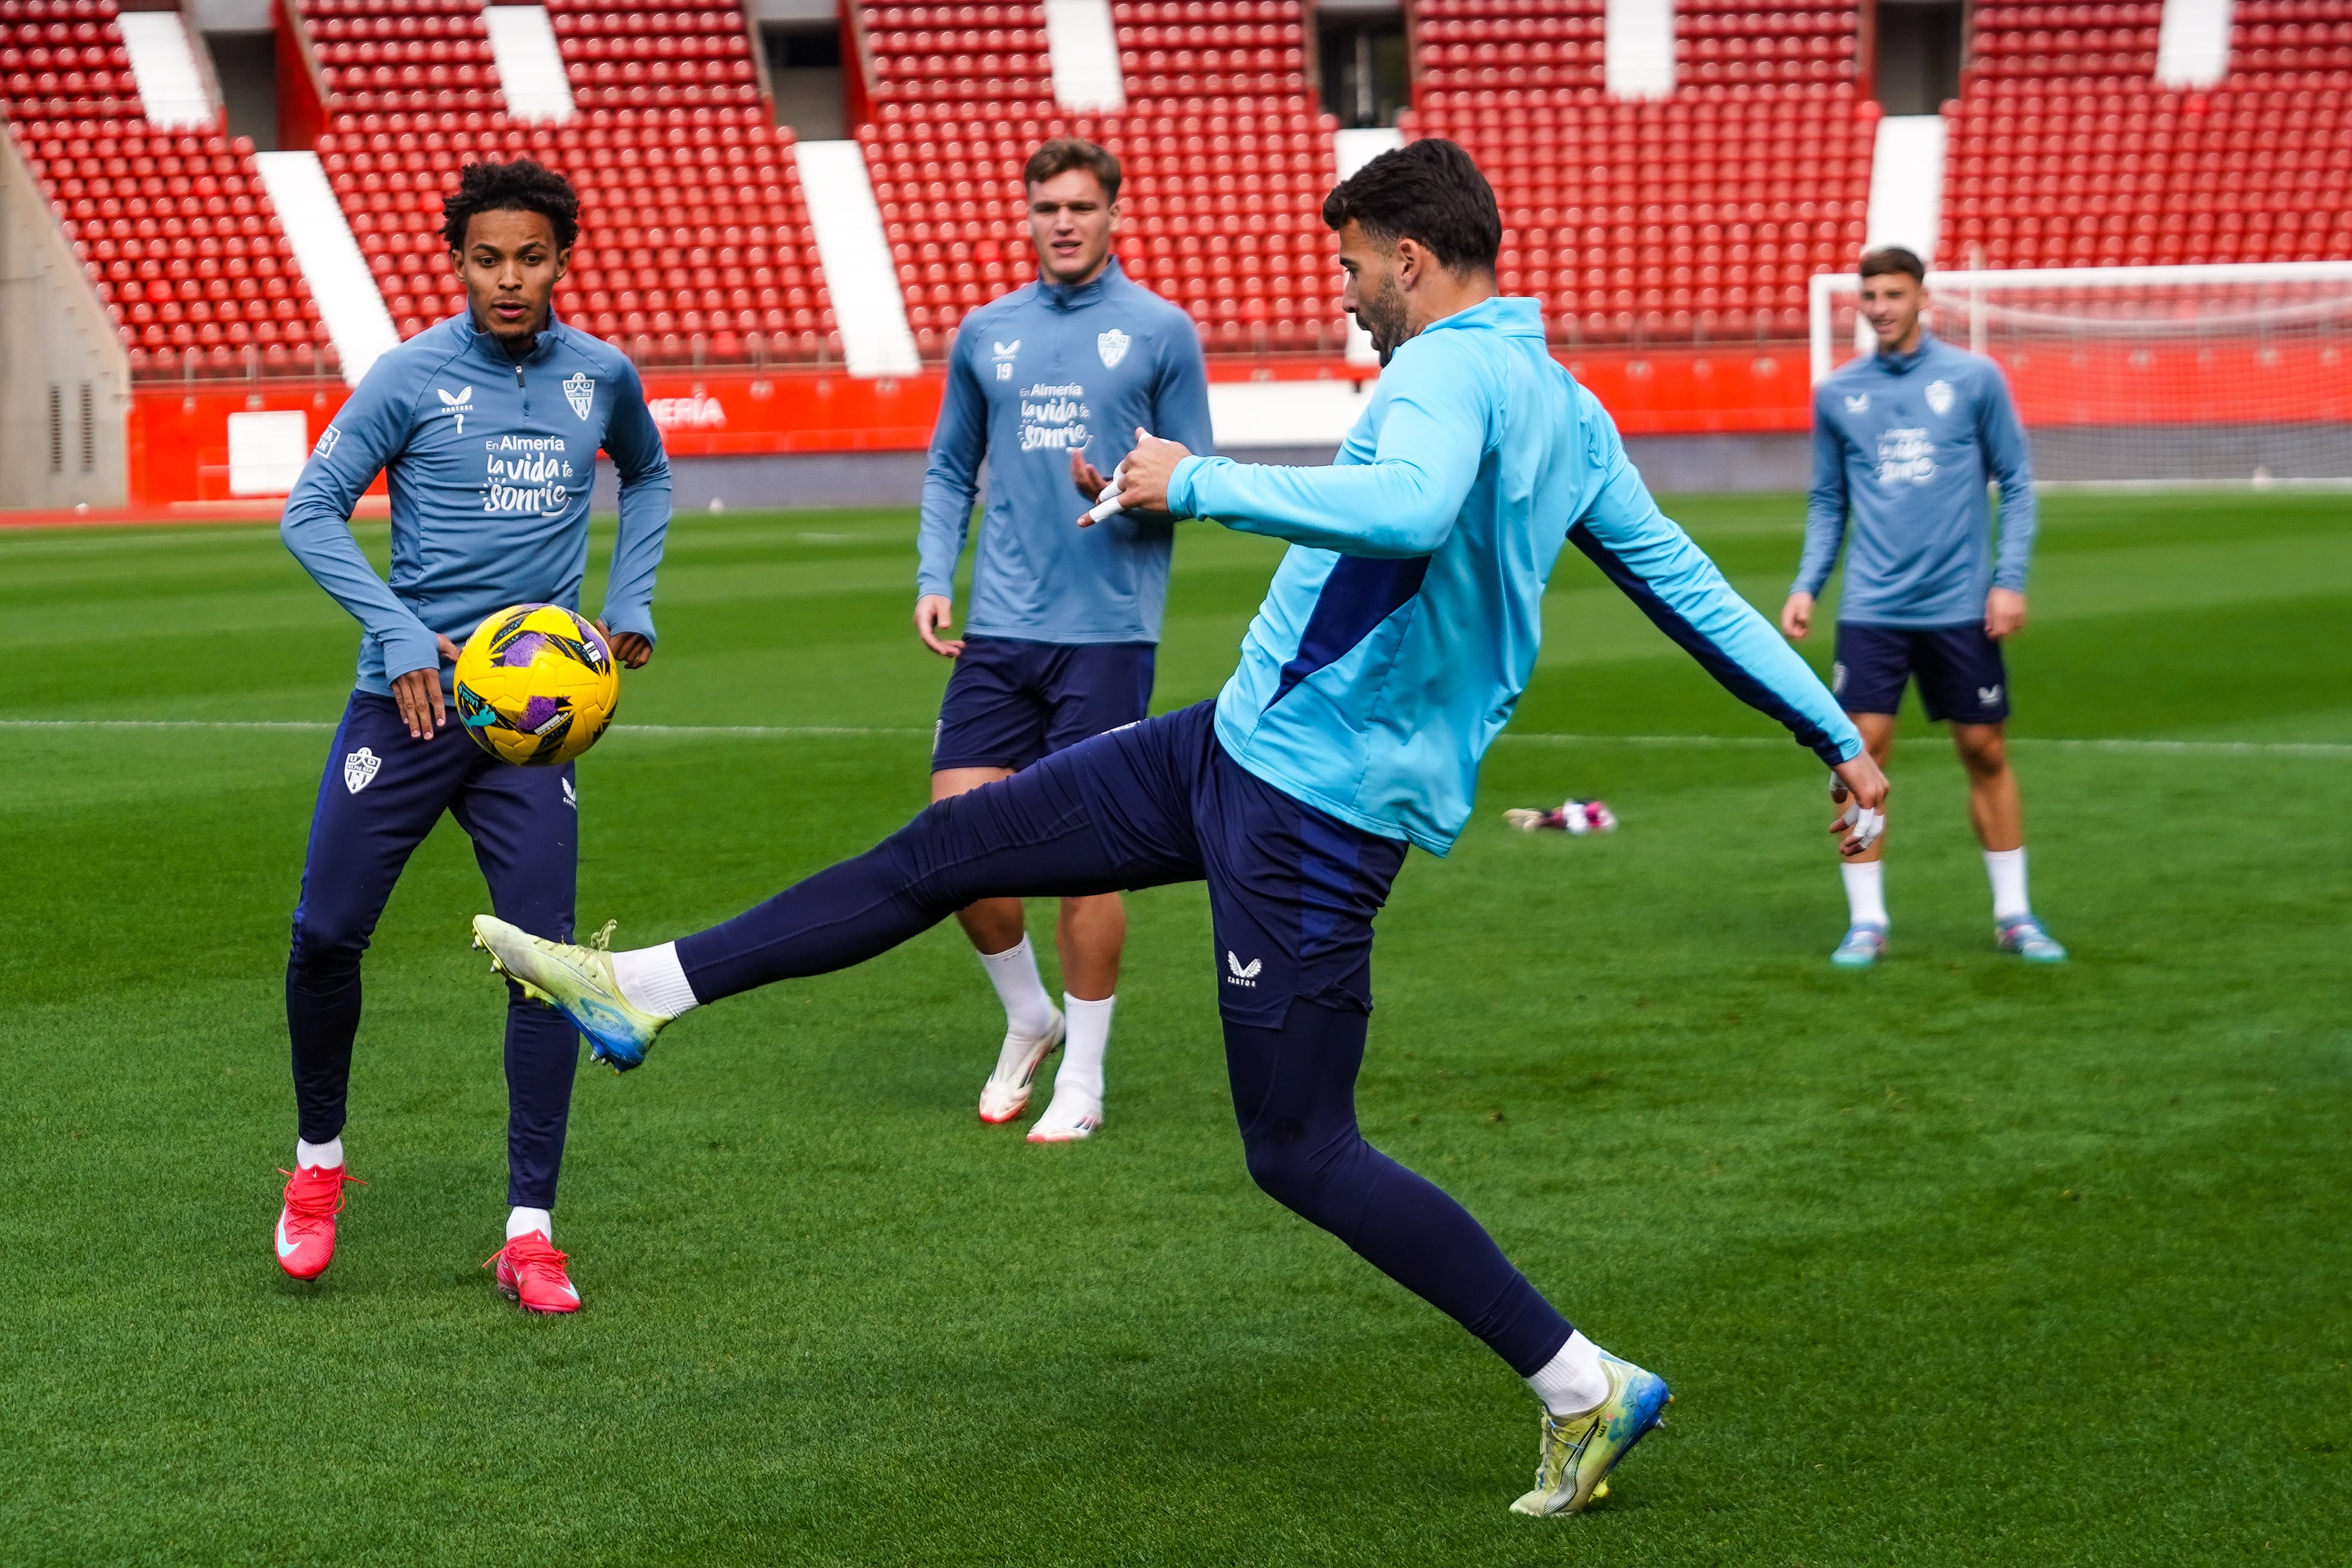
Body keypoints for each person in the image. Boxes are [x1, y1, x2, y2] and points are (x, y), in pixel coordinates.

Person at [468, 139, 1886, 1511]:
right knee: (949, 846)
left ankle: (1583, 1381)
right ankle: (639, 986)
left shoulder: (1449, 370)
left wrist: (1186, 479)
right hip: (1231, 745)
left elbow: (1409, 509)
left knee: (1302, 1147)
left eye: (1351, 271)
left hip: (1312, 813)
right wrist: (1830, 728)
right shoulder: (1566, 405)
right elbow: (1689, 586)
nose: (1345, 296)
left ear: (1408, 257)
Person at [273, 158, 672, 1313]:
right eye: (488, 257)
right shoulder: (408, 375)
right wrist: (398, 632)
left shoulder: (601, 374)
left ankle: (530, 1231)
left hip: (529, 728)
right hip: (403, 708)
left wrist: (630, 599)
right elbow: (309, 510)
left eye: (532, 257)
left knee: (544, 966)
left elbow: (646, 476)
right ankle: (317, 1165)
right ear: (458, 262)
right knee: (325, 933)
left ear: (562, 259)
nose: (510, 279)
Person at [914, 137, 1212, 1143]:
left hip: (1106, 632)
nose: (1065, 223)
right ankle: (1028, 1015)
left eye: (1082, 206)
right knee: (957, 846)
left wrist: (1125, 490)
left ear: (1113, 213)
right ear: (1028, 214)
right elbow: (952, 467)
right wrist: (929, 577)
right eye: (1048, 207)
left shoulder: (1160, 331)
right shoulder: (985, 331)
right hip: (1000, 627)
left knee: (1089, 857)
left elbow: (1195, 480)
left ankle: (1083, 1077)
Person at [1781, 246, 2064, 969]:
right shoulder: (1838, 393)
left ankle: (2014, 913)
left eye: (1893, 294)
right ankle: (1866, 921)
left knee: (1985, 750)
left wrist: (2010, 578)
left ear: (1921, 299)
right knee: (1857, 757)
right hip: (1873, 607)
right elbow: (1827, 500)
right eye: (1869, 294)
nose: (1879, 306)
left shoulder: (1974, 378)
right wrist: (1808, 582)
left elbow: (2020, 484)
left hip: (1960, 605)